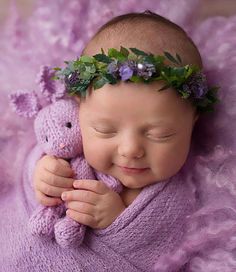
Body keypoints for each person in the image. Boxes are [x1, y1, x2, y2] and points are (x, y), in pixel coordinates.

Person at [1, 11, 221, 272]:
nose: (130, 150)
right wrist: (40, 174)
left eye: (159, 134)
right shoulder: (69, 148)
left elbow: (172, 250)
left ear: (192, 121)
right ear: (79, 110)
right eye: (105, 130)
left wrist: (115, 222)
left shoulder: (178, 199)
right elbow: (29, 157)